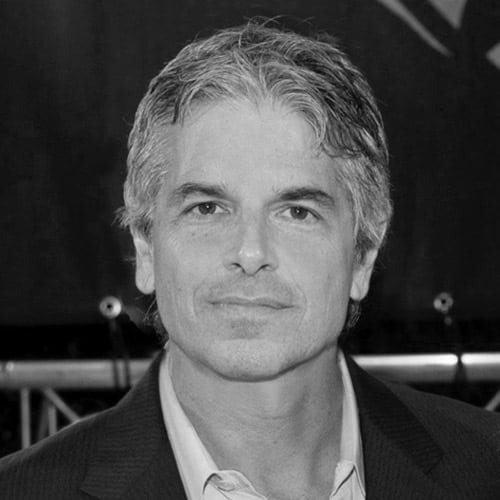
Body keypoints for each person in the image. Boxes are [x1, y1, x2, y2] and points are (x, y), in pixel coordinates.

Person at [1, 20, 500, 500]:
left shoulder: (486, 468)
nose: (250, 252)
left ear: (364, 253)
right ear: (146, 247)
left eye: (297, 212)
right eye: (207, 208)